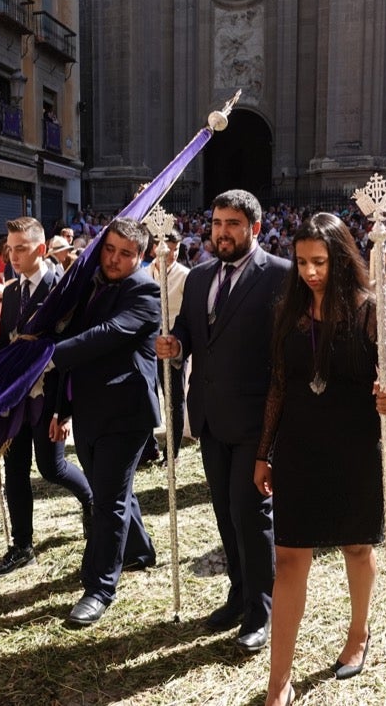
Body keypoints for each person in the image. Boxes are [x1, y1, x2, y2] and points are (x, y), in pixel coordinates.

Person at [254, 213, 386, 703]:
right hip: (299, 446)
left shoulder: (372, 313)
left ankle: (359, 633)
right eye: (301, 262)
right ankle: (279, 680)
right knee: (289, 556)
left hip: (353, 447)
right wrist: (264, 452)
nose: (309, 272)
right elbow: (279, 385)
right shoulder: (290, 310)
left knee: (357, 548)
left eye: (319, 262)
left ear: (340, 259)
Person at [156, 189, 291, 652]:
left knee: (250, 515)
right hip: (209, 418)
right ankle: (238, 593)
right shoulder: (198, 277)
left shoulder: (278, 275)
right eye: (216, 223)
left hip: (255, 419)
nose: (222, 232)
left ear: (254, 227)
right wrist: (175, 345)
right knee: (224, 515)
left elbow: (284, 353)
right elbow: (193, 335)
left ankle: (261, 608)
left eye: (232, 224)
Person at [0, 217, 93, 579]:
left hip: (48, 397)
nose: (12, 254)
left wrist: (64, 412)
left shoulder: (60, 288)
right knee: (14, 468)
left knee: (52, 468)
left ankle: (91, 500)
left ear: (39, 249)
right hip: (15, 396)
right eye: (9, 247)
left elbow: (70, 350)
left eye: (21, 248)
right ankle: (22, 546)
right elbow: (11, 345)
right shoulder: (13, 291)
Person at [50, 218, 159, 625]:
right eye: (110, 249)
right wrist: (62, 409)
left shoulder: (145, 290)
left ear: (141, 256)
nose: (114, 259)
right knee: (110, 489)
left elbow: (106, 335)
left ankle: (99, 587)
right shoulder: (91, 283)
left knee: (107, 500)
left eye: (125, 254)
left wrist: (47, 355)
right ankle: (139, 550)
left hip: (126, 413)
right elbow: (76, 350)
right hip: (90, 411)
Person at [148, 231, 190, 460]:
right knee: (148, 395)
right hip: (147, 344)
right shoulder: (145, 272)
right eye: (167, 247)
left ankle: (171, 451)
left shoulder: (185, 276)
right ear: (155, 247)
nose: (171, 254)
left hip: (173, 342)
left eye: (176, 249)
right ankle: (149, 447)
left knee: (173, 398)